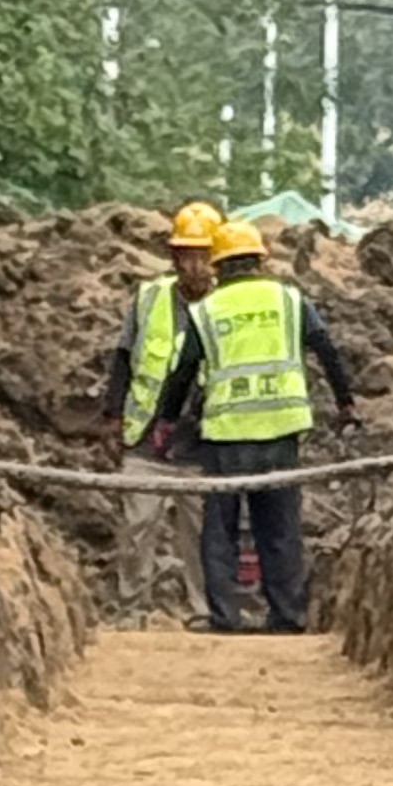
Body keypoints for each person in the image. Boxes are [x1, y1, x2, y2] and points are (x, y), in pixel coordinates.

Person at [156, 220, 357, 638]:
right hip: (282, 429)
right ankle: (287, 616)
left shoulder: (205, 311)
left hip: (227, 433)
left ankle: (225, 617)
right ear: (261, 261)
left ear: (219, 266)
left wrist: (167, 420)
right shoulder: (289, 300)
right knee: (280, 527)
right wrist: (345, 402)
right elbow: (327, 349)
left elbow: (182, 372)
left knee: (220, 529)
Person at [98, 202, 223, 625]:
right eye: (186, 255)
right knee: (137, 527)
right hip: (146, 435)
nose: (194, 265)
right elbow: (122, 358)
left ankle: (203, 610)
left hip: (203, 441)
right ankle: (131, 607)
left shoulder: (228, 305)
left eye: (202, 255)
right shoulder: (149, 298)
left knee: (203, 533)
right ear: (173, 257)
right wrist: (113, 417)